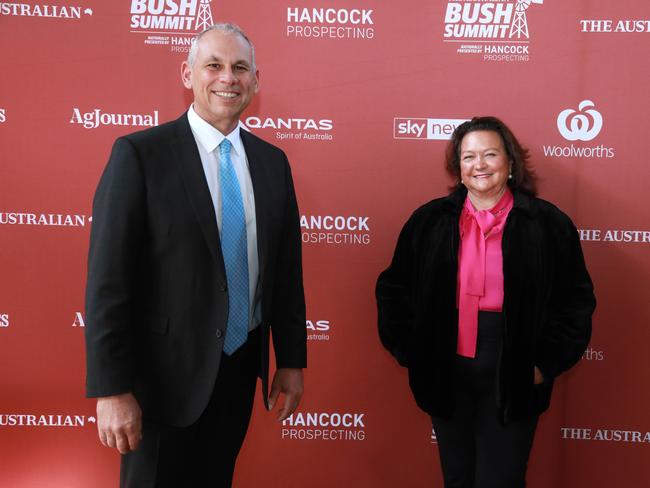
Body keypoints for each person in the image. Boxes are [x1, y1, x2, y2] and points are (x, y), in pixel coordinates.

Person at [84, 23, 306, 488]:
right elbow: (108, 282)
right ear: (188, 74)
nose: (228, 77)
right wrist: (111, 388)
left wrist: (289, 360)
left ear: (256, 81)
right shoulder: (140, 155)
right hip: (159, 380)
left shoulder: (272, 163)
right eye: (214, 65)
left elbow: (284, 271)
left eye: (240, 68)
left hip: (239, 369)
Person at [376, 116, 595, 487]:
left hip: (514, 370)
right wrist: (414, 352)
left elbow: (574, 302)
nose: (479, 165)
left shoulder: (546, 224)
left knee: (501, 480)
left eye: (490, 154)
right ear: (458, 168)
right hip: (446, 371)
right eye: (468, 157)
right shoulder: (429, 221)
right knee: (458, 478)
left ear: (510, 163)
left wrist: (544, 362)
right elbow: (393, 290)